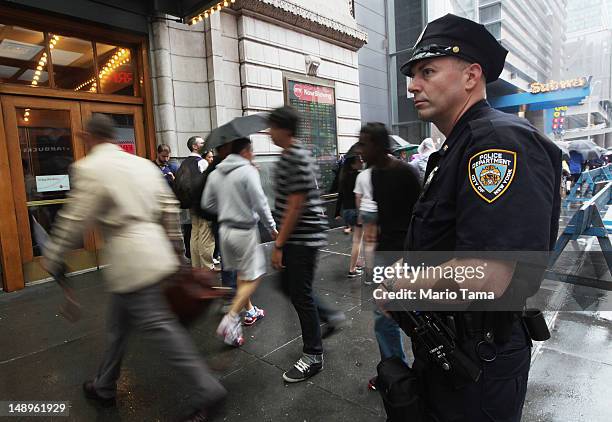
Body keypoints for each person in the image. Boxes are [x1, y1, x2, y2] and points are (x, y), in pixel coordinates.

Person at [377, 14, 561, 421]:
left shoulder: (495, 141)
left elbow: (488, 275)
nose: (412, 85)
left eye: (427, 70)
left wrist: (400, 285)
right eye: (412, 74)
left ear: (471, 76)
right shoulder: (459, 146)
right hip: (450, 348)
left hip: (479, 357)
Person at [42, 115, 226, 422]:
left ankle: (209, 391)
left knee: (162, 330)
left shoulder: (90, 168)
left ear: (88, 137)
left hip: (130, 261)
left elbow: (75, 218)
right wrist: (176, 250)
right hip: (153, 252)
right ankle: (104, 385)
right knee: (118, 327)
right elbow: (168, 207)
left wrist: (53, 255)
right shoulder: (141, 164)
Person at [269, 106, 346, 383]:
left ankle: (313, 355)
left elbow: (295, 205)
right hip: (299, 236)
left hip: (301, 238)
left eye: (272, 127)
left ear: (284, 129)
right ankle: (330, 316)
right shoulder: (293, 154)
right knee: (288, 286)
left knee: (299, 293)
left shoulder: (294, 156)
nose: (269, 132)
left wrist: (279, 243)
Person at [358, 123, 421, 391]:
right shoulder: (373, 175)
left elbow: (422, 215)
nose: (361, 150)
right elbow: (379, 219)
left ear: (380, 146)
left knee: (418, 318)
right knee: (383, 318)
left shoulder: (407, 173)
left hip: (407, 256)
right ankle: (394, 372)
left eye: (365, 144)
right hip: (386, 255)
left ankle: (425, 372)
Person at [202, 138, 277, 346]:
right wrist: (272, 227)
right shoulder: (247, 171)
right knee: (255, 275)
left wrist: (227, 210)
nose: (253, 154)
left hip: (225, 230)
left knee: (241, 276)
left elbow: (206, 203)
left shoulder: (216, 172)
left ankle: (239, 325)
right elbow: (261, 203)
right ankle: (231, 317)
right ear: (245, 150)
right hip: (244, 231)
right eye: (252, 150)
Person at [185, 136, 216, 270]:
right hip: (202, 203)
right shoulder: (202, 162)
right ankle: (207, 267)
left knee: (195, 233)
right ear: (195, 147)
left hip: (191, 203)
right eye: (202, 143)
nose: (205, 144)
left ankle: (196, 266)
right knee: (205, 236)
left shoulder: (186, 162)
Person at [334, 154, 364, 277]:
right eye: (358, 160)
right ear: (353, 164)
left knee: (356, 240)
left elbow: (340, 196)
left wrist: (336, 213)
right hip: (356, 211)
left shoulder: (344, 177)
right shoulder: (359, 176)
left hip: (346, 212)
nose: (361, 161)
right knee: (358, 241)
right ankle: (352, 269)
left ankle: (356, 263)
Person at [353, 161, 378, 283]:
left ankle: (369, 276)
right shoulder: (381, 174)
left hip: (366, 211)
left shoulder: (361, 175)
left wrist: (359, 213)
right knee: (379, 241)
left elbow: (358, 197)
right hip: (378, 211)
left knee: (368, 244)